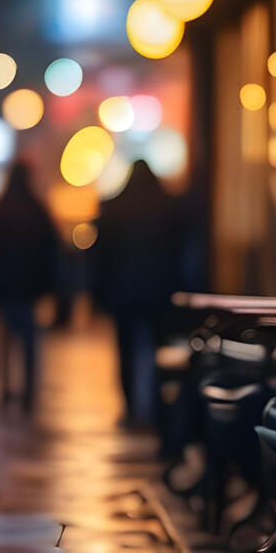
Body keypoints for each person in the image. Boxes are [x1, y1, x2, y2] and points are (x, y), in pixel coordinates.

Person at [92, 160, 183, 426]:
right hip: (159, 292)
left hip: (123, 292)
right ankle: (157, 405)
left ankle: (131, 405)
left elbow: (101, 257)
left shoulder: (113, 208)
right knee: (159, 349)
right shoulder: (169, 208)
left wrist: (100, 293)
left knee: (125, 349)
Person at [0, 162, 59, 412]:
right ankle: (29, 389)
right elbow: (51, 248)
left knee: (5, 340)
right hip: (29, 286)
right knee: (29, 340)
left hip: (5, 284)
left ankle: (6, 388)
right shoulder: (36, 209)